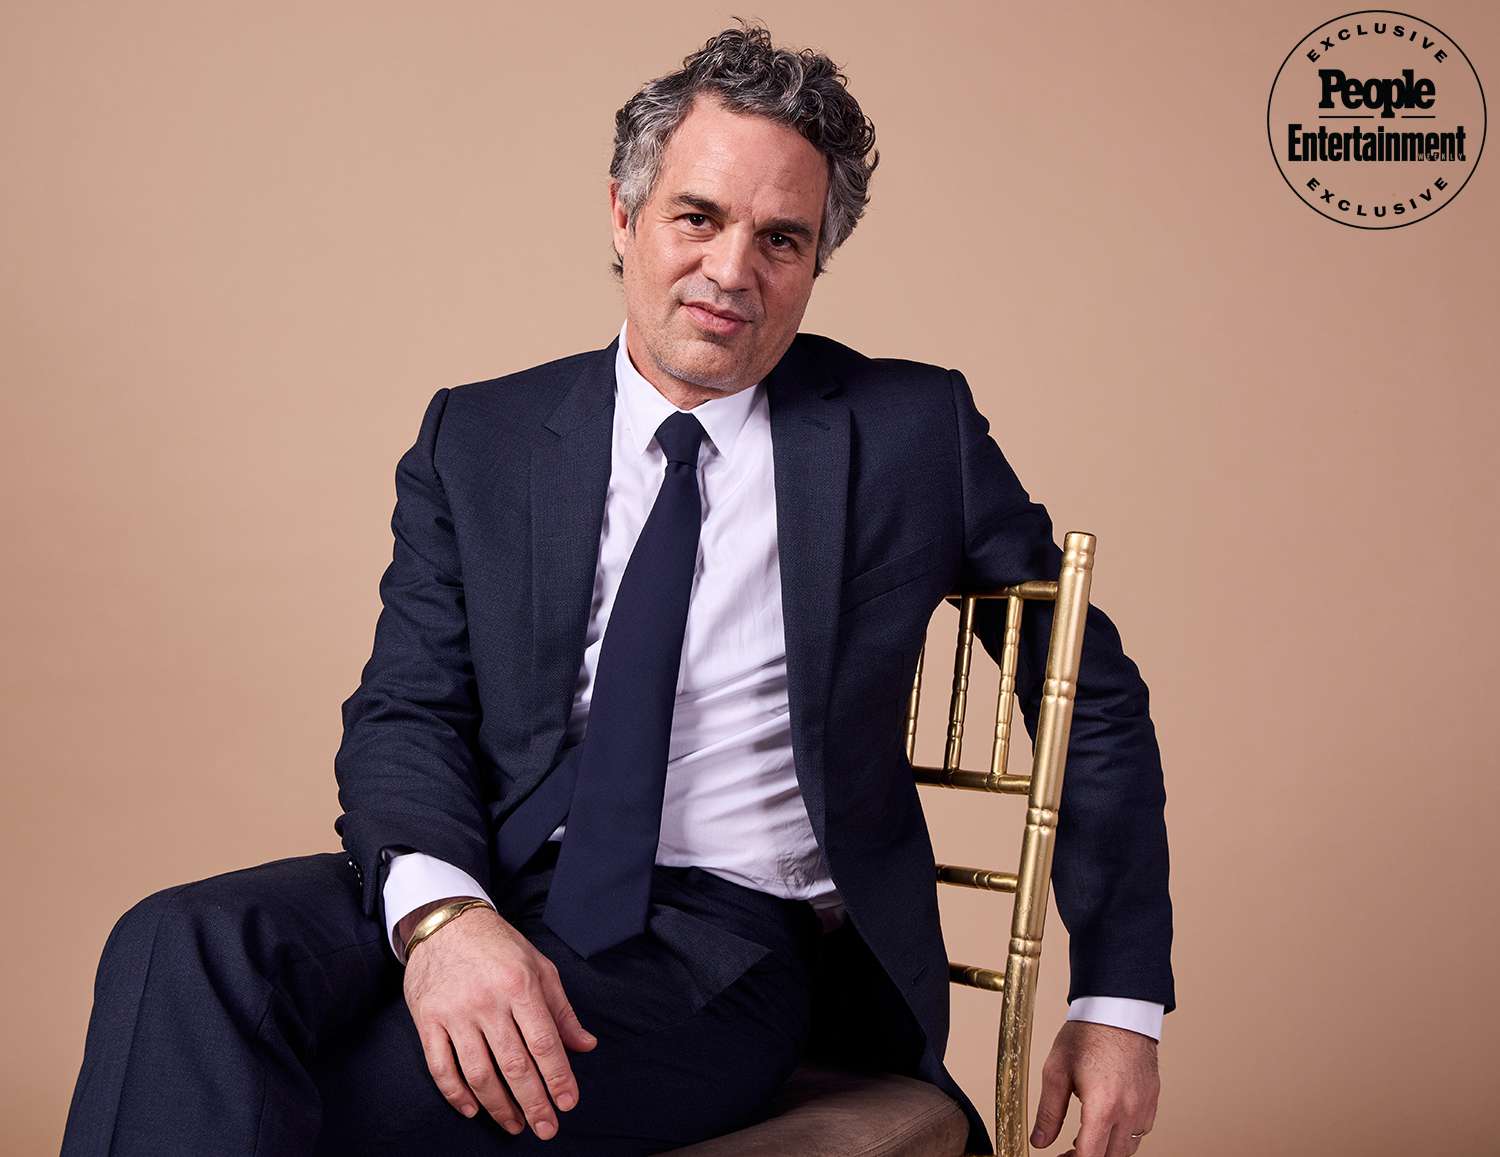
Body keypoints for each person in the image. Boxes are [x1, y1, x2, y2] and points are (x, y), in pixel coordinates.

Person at [60, 19, 1173, 1157]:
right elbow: (407, 707)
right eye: (699, 216)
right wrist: (449, 914)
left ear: (817, 262)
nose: (732, 270)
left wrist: (1119, 997)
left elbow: (1087, 690)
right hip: (491, 864)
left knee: (324, 1094)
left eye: (781, 239)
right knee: (176, 947)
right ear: (624, 213)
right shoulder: (480, 436)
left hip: (727, 942)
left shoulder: (908, 433)